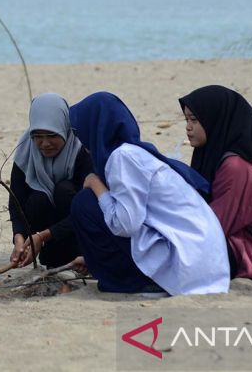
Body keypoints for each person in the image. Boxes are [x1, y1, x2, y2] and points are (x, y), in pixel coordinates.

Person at [67, 92, 230, 295]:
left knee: (85, 203)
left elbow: (125, 224)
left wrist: (95, 184)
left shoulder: (122, 157)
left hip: (187, 265)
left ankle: (137, 281)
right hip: (205, 263)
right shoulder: (134, 153)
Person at [179, 85, 252, 279]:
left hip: (248, 253)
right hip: (226, 238)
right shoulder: (208, 153)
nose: (188, 127)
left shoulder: (234, 166)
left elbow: (216, 224)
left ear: (214, 121)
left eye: (194, 120)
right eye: (186, 120)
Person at [8, 93, 92, 268]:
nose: (45, 144)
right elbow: (16, 203)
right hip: (44, 241)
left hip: (78, 234)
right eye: (38, 136)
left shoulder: (82, 150)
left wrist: (42, 236)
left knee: (64, 190)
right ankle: (48, 256)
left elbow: (88, 210)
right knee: (39, 198)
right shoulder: (25, 150)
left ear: (64, 128)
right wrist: (20, 237)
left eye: (52, 135)